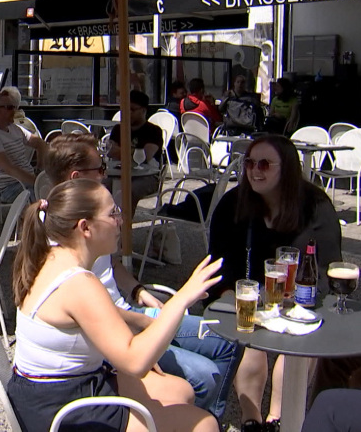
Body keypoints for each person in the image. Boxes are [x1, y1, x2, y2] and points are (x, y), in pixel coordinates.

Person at [44, 133, 241, 419]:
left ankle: (207, 420)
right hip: (116, 331)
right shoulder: (63, 237)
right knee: (205, 376)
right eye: (100, 168)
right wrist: (152, 317)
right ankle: (192, 420)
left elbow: (112, 266)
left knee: (227, 340)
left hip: (129, 314)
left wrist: (139, 292)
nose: (106, 171)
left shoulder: (90, 218)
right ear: (76, 176)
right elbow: (93, 319)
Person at [8, 177, 221, 432]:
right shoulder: (78, 283)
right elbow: (135, 361)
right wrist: (183, 297)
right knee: (204, 423)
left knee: (182, 390)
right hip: (61, 409)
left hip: (45, 392)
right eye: (113, 213)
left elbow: (114, 339)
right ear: (85, 227)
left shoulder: (50, 256)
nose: (121, 220)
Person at [208, 135, 342, 432]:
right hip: (247, 298)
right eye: (251, 163)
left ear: (288, 168)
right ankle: (251, 421)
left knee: (298, 345)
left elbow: (329, 267)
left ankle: (278, 420)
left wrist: (302, 301)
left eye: (265, 164)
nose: (256, 171)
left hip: (300, 300)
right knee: (252, 342)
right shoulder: (234, 203)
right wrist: (230, 293)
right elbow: (218, 262)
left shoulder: (315, 205)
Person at [0, 89, 47, 202]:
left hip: (26, 181)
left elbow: (41, 144)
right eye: (9, 107)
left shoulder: (15, 128)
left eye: (15, 107)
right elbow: (9, 169)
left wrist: (39, 169)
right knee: (47, 195)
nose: (14, 111)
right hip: (8, 188)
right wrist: (37, 181)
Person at [106, 90, 163, 216]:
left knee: (127, 192)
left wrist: (121, 152)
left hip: (147, 176)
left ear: (143, 111)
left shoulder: (153, 131)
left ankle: (123, 227)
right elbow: (110, 152)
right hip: (118, 172)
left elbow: (145, 156)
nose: (127, 113)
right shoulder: (118, 129)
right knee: (99, 188)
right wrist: (133, 152)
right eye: (124, 109)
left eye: (132, 109)